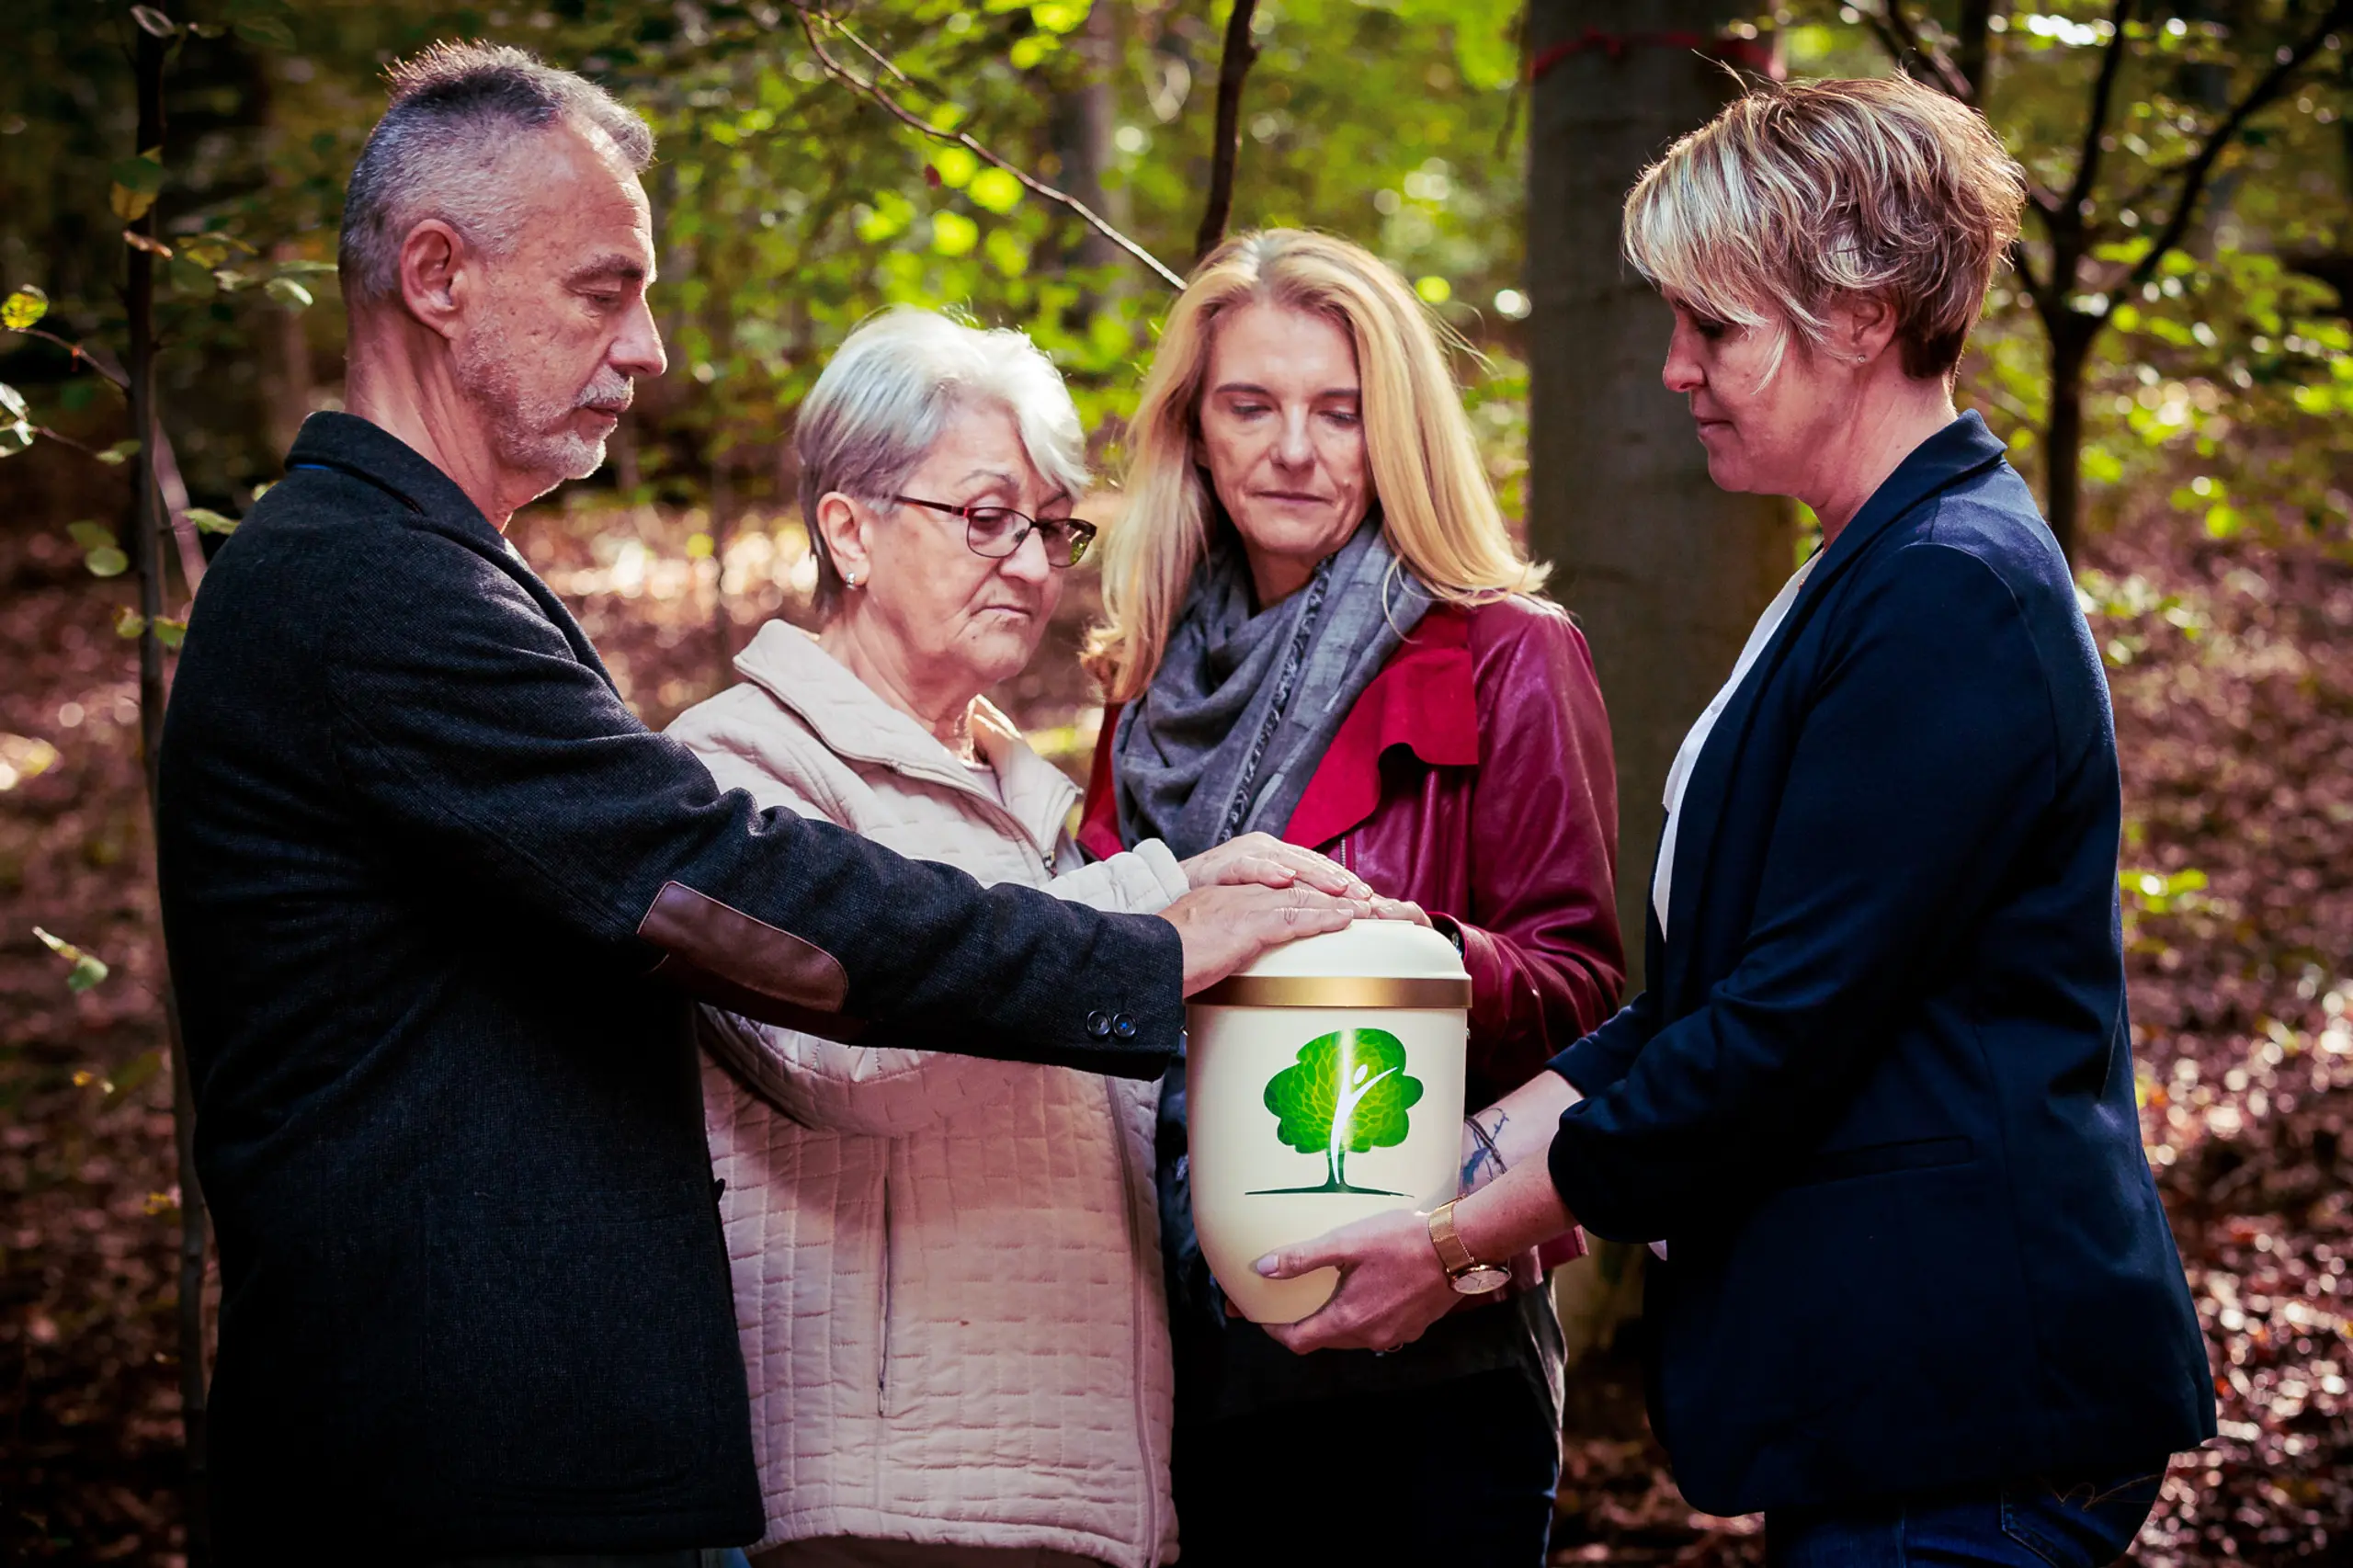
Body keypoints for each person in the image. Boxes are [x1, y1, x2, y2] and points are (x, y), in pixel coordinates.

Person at [154, 47, 1369, 1563]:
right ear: (437, 273)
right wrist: (1149, 943)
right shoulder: (363, 586)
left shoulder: (429, 574)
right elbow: (726, 888)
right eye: (606, 291)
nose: (651, 348)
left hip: (535, 1462)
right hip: (461, 1469)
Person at [1254, 77, 2218, 1568]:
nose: (1675, 368)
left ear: (1860, 311)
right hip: (1892, 1415)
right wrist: (1446, 1160)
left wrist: (1452, 1241)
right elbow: (1702, 1006)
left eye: (1716, 326)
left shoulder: (1951, 585)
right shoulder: (1867, 564)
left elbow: (1780, 1031)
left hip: (1972, 1412)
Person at [670, 308, 1392, 1568]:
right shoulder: (744, 768)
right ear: (849, 528)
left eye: (1052, 526)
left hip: (1078, 1494)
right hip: (888, 1500)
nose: (1029, 562)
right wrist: (1169, 919)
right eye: (984, 516)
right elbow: (859, 1057)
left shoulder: (1036, 811)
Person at [1075, 229, 1625, 1565]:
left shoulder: (1507, 651)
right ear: (1193, 432)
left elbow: (1587, 993)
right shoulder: (1142, 682)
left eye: (1341, 411)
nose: (1296, 451)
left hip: (1424, 1350)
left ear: (1397, 433)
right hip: (1179, 1346)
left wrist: (1403, 949)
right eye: (1250, 406)